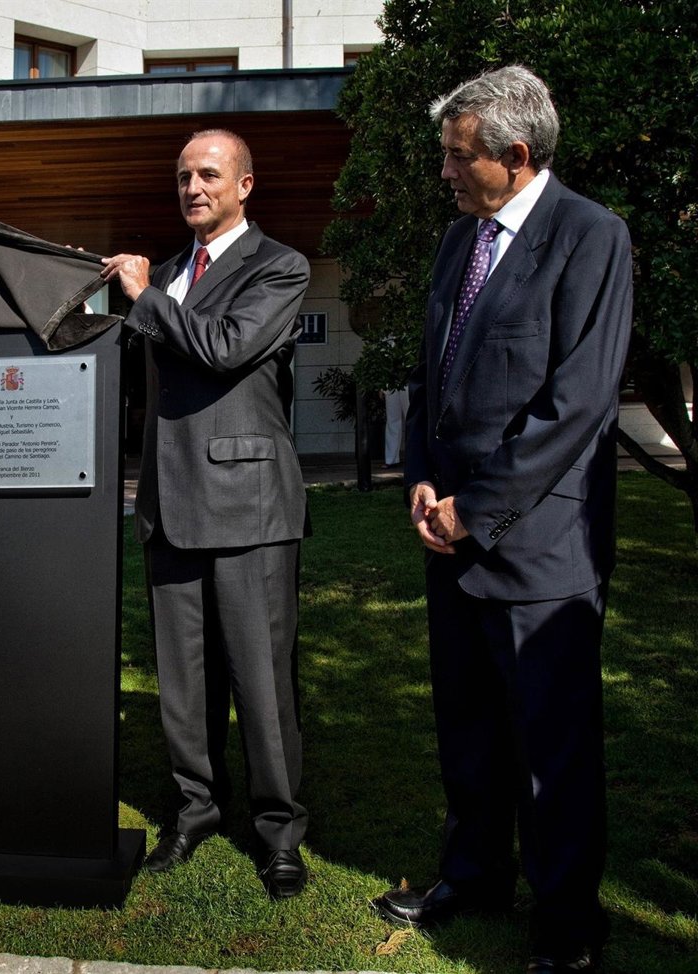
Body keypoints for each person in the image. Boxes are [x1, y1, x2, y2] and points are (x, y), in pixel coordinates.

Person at [372, 66, 633, 974]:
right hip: (449, 537)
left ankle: (568, 925)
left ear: (516, 155)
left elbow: (579, 401)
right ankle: (474, 877)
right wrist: (419, 477)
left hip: (540, 550)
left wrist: (474, 510)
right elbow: (432, 373)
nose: (445, 171)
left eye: (458, 156)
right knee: (470, 730)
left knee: (551, 749)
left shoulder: (591, 235)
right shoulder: (459, 241)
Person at [101, 129, 312, 899]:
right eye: (184, 175)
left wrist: (144, 299)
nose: (193, 187)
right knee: (183, 685)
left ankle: (279, 832)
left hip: (249, 505)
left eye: (209, 174)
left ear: (244, 185)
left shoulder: (279, 266)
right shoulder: (163, 274)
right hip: (169, 502)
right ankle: (195, 812)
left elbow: (226, 347)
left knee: (262, 682)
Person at [381, 385, 408, 468]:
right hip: (391, 383)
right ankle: (391, 459)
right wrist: (382, 387)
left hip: (407, 382)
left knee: (411, 419)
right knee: (392, 420)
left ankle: (415, 458)